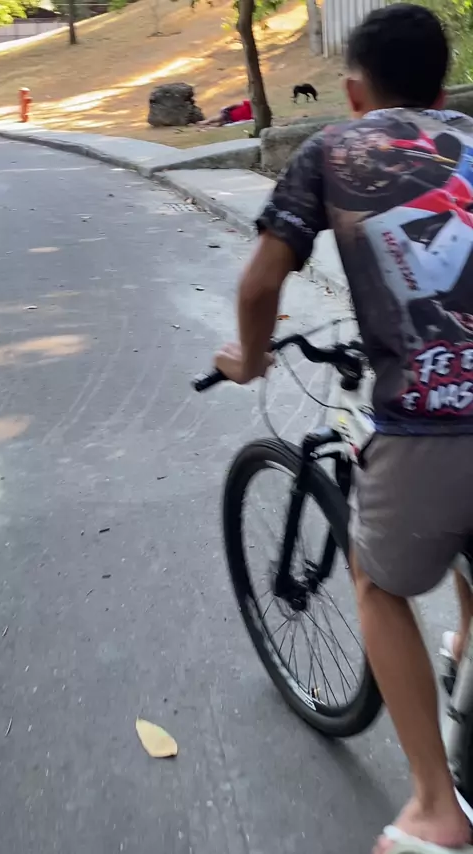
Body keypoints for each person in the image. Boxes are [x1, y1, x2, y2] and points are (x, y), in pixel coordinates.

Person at [213, 4, 473, 853]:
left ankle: (434, 807)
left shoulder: (333, 150)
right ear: (442, 90)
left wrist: (251, 357)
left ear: (356, 93)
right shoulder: (468, 136)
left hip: (430, 415)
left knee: (376, 580)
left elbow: (260, 285)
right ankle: (466, 646)